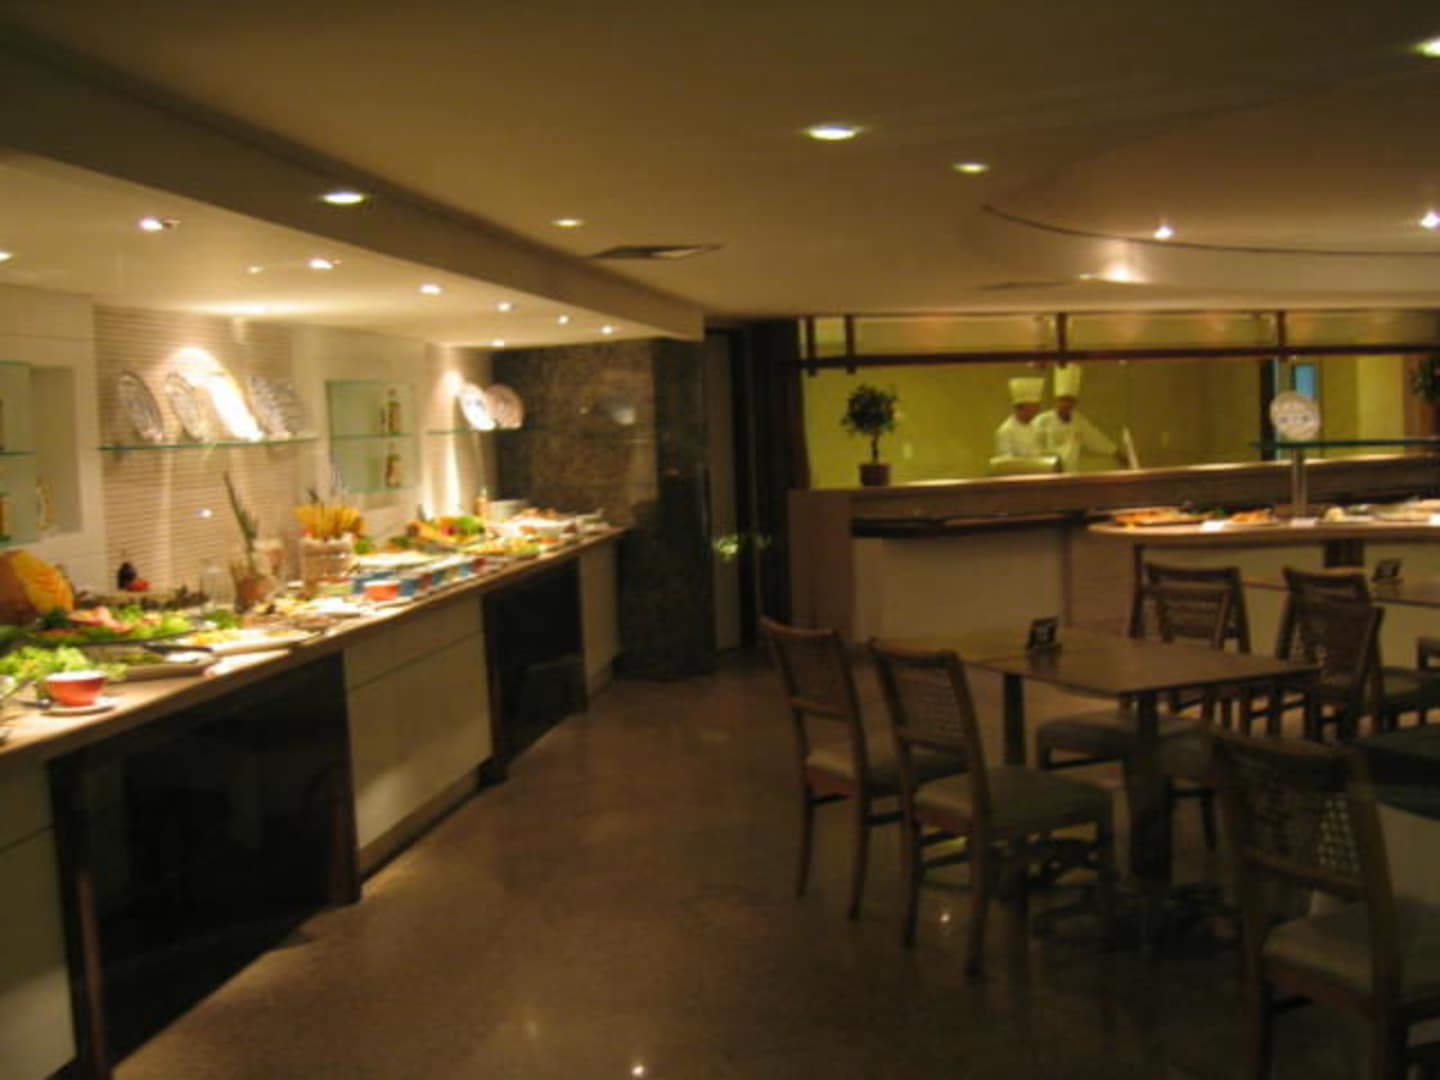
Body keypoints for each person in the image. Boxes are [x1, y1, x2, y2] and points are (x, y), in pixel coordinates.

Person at [1034, 364, 1127, 471]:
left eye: (1069, 400)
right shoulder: (1042, 421)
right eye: (1062, 400)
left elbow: (1095, 439)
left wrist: (1115, 452)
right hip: (1048, 471)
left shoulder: (1078, 421)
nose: (1065, 404)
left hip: (1070, 472)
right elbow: (1034, 448)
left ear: (1074, 403)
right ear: (1056, 401)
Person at [992, 376, 1047, 458]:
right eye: (1034, 406)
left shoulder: (1033, 426)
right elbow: (1006, 462)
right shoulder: (1006, 431)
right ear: (1023, 407)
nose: (1037, 410)